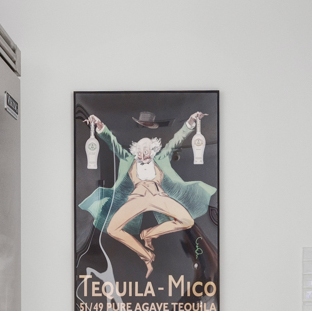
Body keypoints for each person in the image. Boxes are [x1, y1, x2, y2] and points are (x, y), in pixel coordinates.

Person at [78, 112, 215, 277]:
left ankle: (149, 233)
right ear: (136, 151)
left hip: (159, 196)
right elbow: (111, 142)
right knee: (113, 228)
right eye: (142, 149)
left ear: (153, 150)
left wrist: (191, 122)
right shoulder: (128, 160)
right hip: (137, 198)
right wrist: (98, 124)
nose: (145, 152)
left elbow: (177, 140)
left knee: (187, 220)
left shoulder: (161, 158)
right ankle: (146, 255)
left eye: (148, 149)